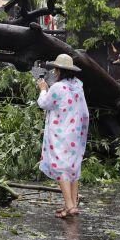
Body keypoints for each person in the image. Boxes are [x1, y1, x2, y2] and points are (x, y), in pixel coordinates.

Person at [36, 53, 89, 218]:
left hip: (60, 133)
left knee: (60, 168)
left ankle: (70, 206)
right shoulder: (78, 86)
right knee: (72, 168)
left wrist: (43, 89)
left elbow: (44, 104)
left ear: (58, 70)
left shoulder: (58, 88)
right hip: (75, 133)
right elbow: (85, 112)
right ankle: (71, 205)